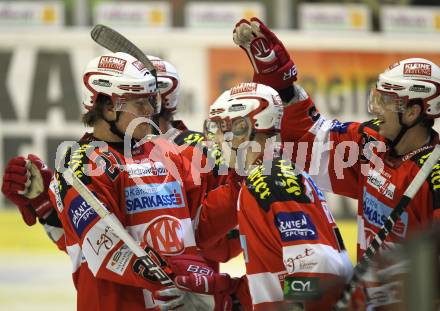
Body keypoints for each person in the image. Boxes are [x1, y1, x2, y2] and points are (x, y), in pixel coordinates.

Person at [2, 52, 242, 310]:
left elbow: (199, 224)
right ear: (107, 107)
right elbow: (105, 250)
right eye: (140, 103)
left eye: (150, 100)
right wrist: (169, 276)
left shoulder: (166, 152)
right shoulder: (83, 166)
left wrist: (241, 184)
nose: (150, 110)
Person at [232, 17, 440, 309]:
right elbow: (308, 141)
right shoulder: (371, 146)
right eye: (377, 100)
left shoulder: (434, 177)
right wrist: (282, 84)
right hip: (363, 298)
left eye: (387, 103)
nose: (377, 111)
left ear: (414, 112)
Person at [175, 82, 353, 310]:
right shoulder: (263, 175)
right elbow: (275, 277)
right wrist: (225, 298)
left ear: (243, 129)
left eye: (220, 128)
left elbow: (322, 272)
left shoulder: (271, 179)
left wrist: (290, 305)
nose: (215, 140)